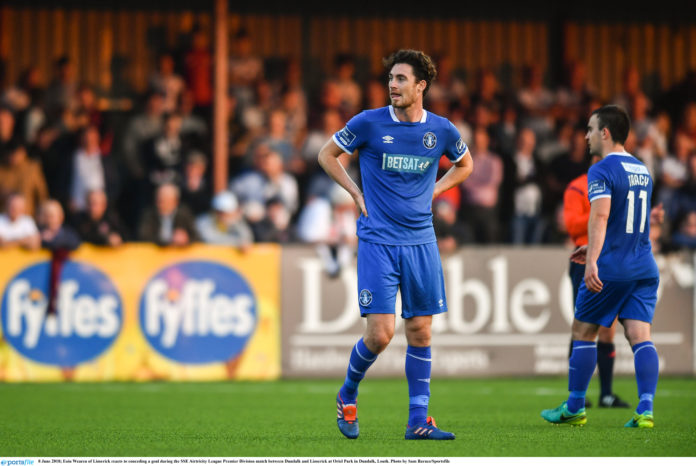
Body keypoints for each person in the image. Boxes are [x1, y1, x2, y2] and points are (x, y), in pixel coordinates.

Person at [318, 49, 473, 440]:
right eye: (390, 78)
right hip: (378, 241)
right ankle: (348, 393)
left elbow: (465, 164)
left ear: (421, 86)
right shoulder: (368, 123)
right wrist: (355, 192)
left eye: (401, 79)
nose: (392, 84)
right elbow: (327, 154)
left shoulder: (440, 130)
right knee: (381, 334)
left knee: (421, 330)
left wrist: (435, 191)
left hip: (421, 241)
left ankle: (418, 421)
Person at [542, 105, 660, 428]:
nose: (586, 135)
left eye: (590, 129)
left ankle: (575, 406)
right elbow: (629, 221)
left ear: (605, 133)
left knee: (583, 331)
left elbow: (602, 216)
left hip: (612, 267)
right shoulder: (642, 169)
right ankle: (646, 410)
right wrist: (593, 246)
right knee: (640, 335)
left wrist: (593, 259)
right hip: (644, 266)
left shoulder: (601, 169)